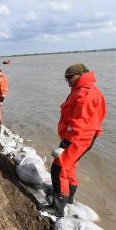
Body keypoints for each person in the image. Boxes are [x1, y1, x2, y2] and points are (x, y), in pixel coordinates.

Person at [42, 63, 106, 217]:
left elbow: (78, 124)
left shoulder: (85, 94)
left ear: (79, 75)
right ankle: (68, 198)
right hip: (82, 136)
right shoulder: (85, 90)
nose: (67, 81)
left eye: (69, 77)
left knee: (58, 169)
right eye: (65, 78)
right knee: (69, 167)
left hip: (79, 138)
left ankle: (57, 208)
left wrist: (64, 145)